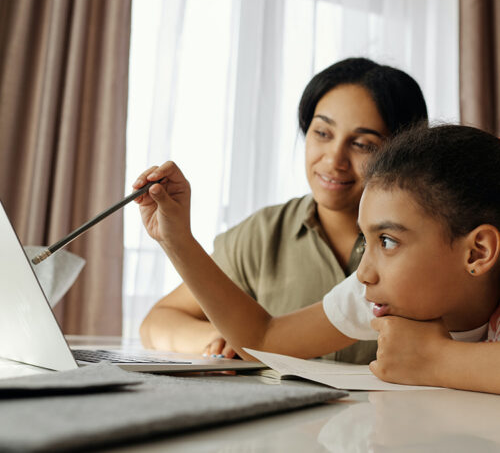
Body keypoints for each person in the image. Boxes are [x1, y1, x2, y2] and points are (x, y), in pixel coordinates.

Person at [135, 123, 500, 394]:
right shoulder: (377, 291)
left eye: (387, 241)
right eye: (366, 239)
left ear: (478, 252)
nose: (364, 273)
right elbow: (264, 339)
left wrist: (434, 359)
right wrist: (177, 239)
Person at [139, 57, 428, 364]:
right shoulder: (263, 234)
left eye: (362, 144)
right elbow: (158, 323)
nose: (334, 160)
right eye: (322, 133)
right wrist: (219, 339)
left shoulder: (423, 246)